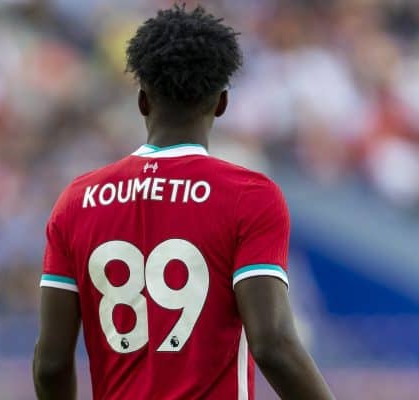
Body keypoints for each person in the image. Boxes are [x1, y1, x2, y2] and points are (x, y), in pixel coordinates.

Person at [33, 4, 334, 400]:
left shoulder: (78, 201)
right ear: (222, 103)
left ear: (142, 100)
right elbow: (272, 344)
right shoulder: (249, 196)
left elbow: (52, 362)